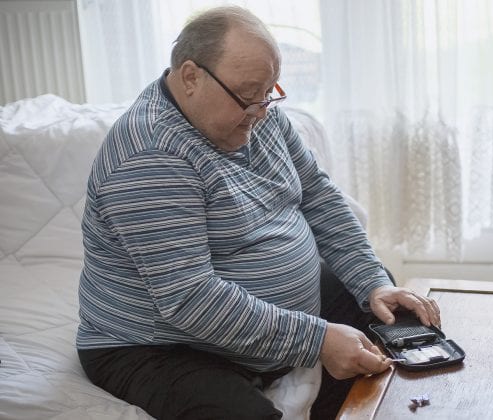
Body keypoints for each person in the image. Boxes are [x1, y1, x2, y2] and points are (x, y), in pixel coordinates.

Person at [75, 5, 441, 420]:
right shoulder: (151, 156)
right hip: (162, 344)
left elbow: (318, 196)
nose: (262, 110)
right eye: (248, 95)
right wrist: (317, 339)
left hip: (251, 319)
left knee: (383, 302)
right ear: (191, 77)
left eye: (268, 92)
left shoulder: (257, 113)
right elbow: (191, 299)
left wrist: (371, 281)